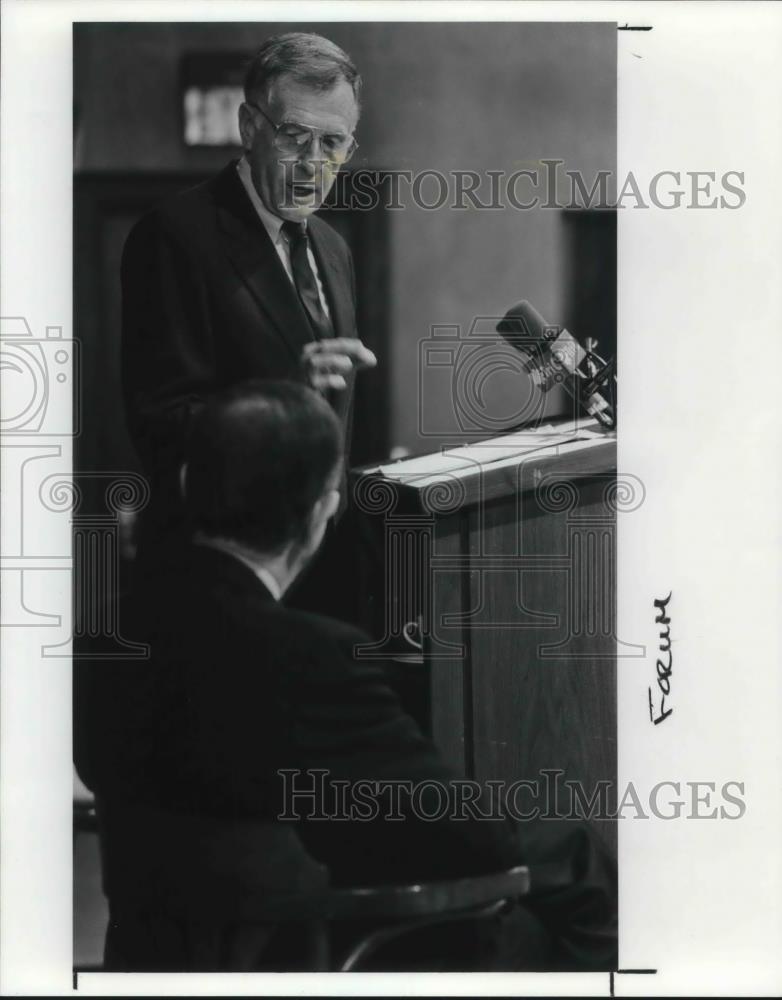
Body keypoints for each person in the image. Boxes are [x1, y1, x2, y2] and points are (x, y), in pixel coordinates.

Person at [77, 379, 617, 972]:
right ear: (319, 515)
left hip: (152, 958)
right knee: (575, 863)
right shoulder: (311, 656)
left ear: (185, 484)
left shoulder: (104, 638)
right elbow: (466, 836)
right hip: (314, 954)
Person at [120, 32, 376, 616]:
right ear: (250, 126)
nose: (315, 163)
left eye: (333, 143)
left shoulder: (334, 248)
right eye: (295, 136)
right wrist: (286, 396)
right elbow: (160, 425)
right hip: (212, 586)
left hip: (321, 578)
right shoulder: (175, 235)